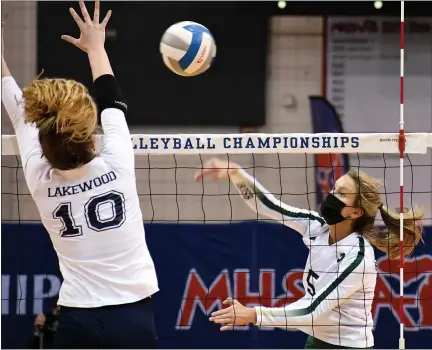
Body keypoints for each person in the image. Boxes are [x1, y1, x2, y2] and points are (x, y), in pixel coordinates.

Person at [2, 2, 158, 348]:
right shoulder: (116, 162)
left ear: (45, 144)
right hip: (132, 319)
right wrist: (96, 47)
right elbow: (111, 100)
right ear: (90, 138)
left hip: (76, 320)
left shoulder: (41, 180)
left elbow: (17, 111)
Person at [195, 158, 424, 349]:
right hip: (316, 340)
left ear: (356, 211)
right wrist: (236, 174)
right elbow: (269, 206)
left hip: (348, 346)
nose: (332, 195)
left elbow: (313, 310)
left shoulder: (358, 257)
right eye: (333, 189)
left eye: (341, 193)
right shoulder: (317, 225)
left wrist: (254, 314)